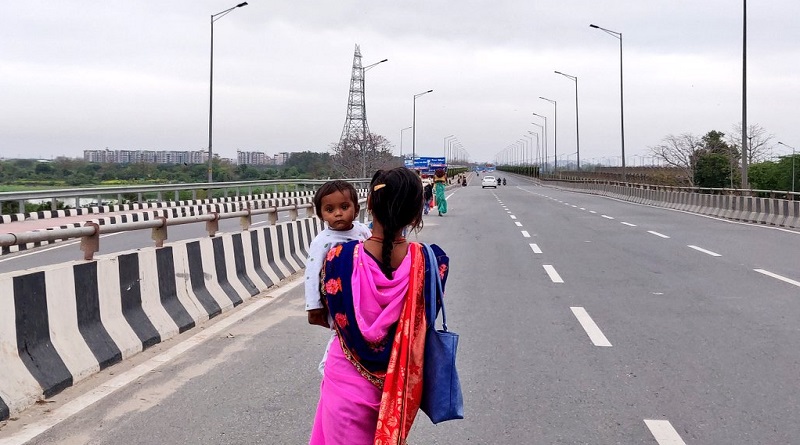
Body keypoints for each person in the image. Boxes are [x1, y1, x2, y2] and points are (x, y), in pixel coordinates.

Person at [309, 167, 449, 445]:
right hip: (396, 389)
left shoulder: (338, 258)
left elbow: (322, 316)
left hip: (345, 382)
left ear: (369, 204)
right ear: (416, 213)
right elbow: (423, 322)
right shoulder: (433, 263)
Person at [306, 180, 372, 373]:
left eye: (344, 207)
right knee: (341, 332)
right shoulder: (322, 242)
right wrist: (314, 306)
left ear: (356, 208)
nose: (338, 213)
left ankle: (361, 365)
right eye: (329, 209)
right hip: (338, 297)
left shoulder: (362, 230)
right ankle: (329, 363)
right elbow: (311, 274)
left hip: (363, 293)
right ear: (320, 214)